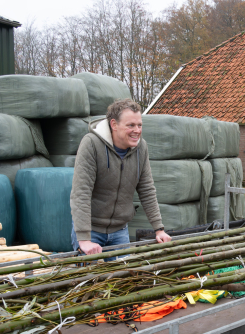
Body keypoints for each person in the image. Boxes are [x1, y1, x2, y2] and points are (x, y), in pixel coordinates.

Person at [70, 98, 171, 255]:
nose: (137, 130)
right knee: (90, 278)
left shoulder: (141, 148)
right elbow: (81, 193)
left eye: (139, 125)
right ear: (114, 125)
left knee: (123, 275)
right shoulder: (91, 144)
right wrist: (84, 239)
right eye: (130, 125)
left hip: (120, 231)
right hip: (91, 230)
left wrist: (159, 229)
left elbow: (147, 190)